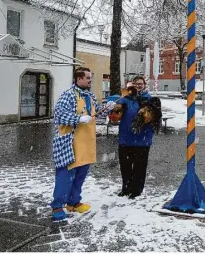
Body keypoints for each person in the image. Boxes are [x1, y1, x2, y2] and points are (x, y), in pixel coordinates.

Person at [51, 67, 115, 222]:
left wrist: (107, 108)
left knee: (80, 176)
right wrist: (77, 119)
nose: (90, 80)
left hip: (86, 144)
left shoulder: (90, 96)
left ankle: (73, 202)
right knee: (65, 176)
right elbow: (59, 114)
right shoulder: (69, 95)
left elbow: (96, 112)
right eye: (87, 78)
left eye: (90, 78)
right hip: (70, 144)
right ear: (78, 79)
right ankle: (57, 206)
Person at [116, 75, 161, 199]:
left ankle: (136, 190)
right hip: (125, 138)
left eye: (140, 84)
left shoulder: (150, 100)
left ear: (144, 85)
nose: (138, 86)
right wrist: (116, 107)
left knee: (139, 167)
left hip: (142, 140)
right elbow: (116, 110)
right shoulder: (126, 99)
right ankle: (126, 187)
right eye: (136, 83)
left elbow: (153, 119)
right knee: (125, 166)